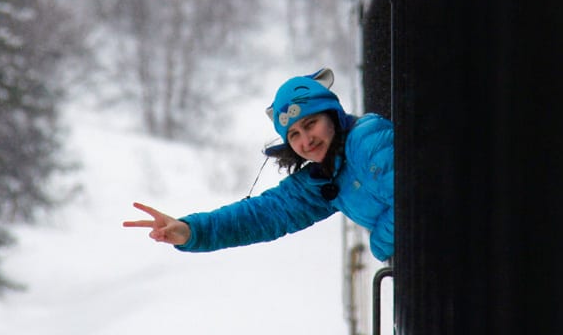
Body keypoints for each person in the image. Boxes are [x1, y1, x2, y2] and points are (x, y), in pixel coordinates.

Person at [123, 68, 394, 262]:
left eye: (311, 124)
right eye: (294, 135)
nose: (306, 140)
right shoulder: (327, 176)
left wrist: (381, 246)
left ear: (333, 116)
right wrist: (192, 231)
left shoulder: (367, 140)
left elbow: (411, 201)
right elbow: (262, 215)